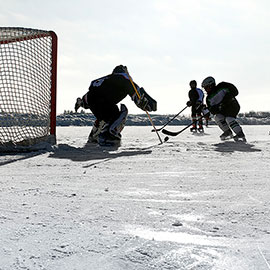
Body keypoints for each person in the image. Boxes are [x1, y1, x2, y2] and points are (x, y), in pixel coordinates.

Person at [74, 65, 157, 146]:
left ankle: (94, 136)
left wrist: (80, 103)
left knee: (104, 117)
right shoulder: (124, 78)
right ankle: (109, 136)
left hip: (92, 99)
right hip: (104, 100)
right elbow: (137, 94)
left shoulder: (105, 79)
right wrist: (149, 104)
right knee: (118, 114)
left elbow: (88, 98)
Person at [201, 76, 246, 142]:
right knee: (217, 117)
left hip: (232, 106)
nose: (205, 89)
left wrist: (226, 100)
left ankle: (240, 134)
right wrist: (212, 109)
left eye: (206, 87)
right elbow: (212, 110)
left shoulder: (222, 86)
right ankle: (228, 132)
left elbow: (235, 91)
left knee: (229, 119)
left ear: (211, 85)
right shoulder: (208, 98)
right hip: (222, 110)